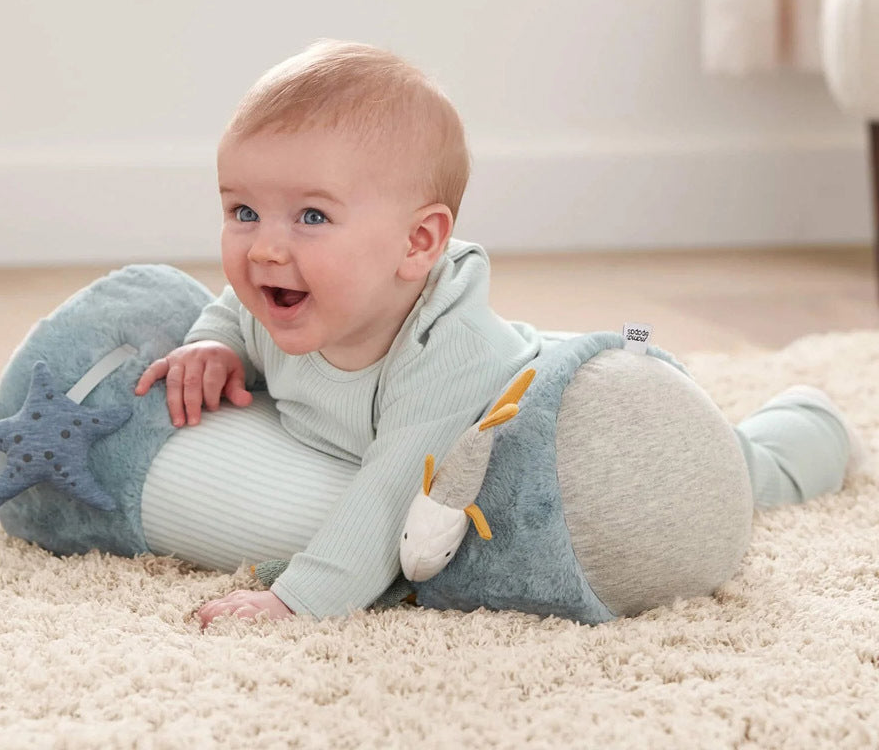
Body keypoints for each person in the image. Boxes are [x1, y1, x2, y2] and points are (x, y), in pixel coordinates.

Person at [135, 40, 862, 623]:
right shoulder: (280, 290)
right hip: (517, 356)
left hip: (563, 437)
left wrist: (297, 599)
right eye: (242, 212)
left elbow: (394, 490)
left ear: (418, 245)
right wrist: (215, 343)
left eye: (312, 217)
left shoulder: (445, 355)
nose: (263, 248)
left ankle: (819, 424)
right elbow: (234, 305)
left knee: (738, 469)